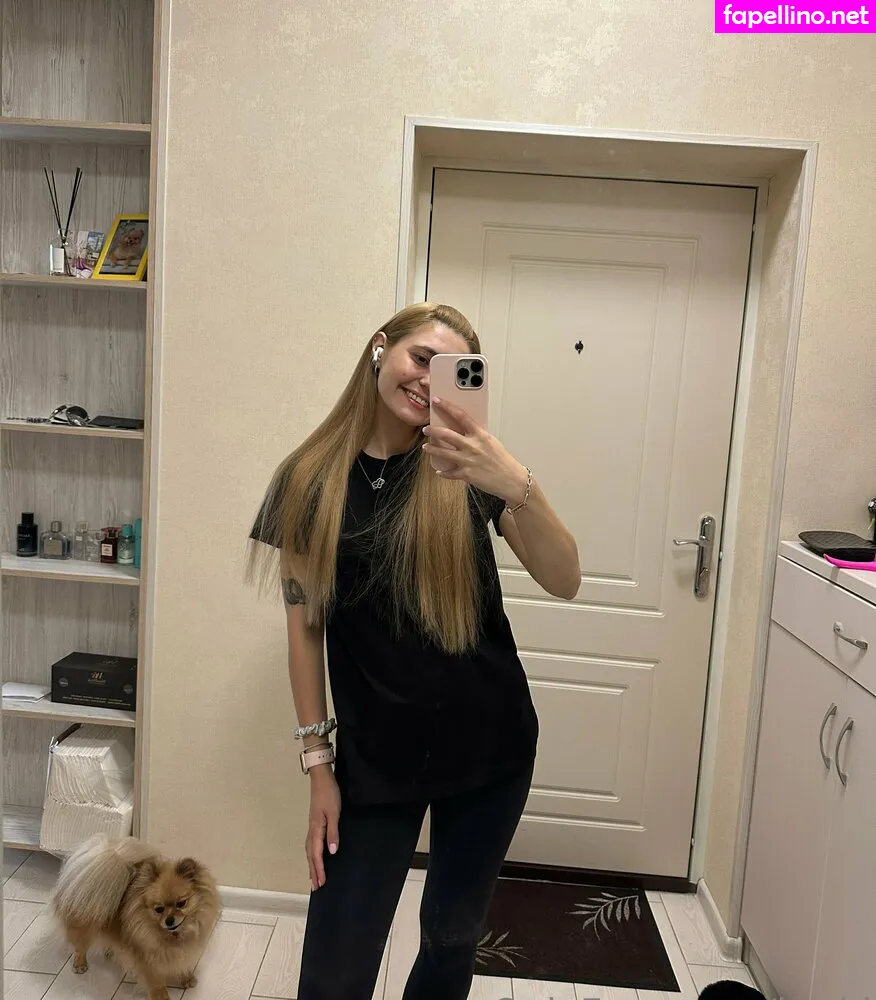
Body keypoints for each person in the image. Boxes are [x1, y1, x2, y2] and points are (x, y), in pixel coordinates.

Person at [248, 302, 580, 1000]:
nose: (429, 380)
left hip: (489, 753)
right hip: (373, 762)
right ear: (381, 348)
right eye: (421, 358)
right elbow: (305, 631)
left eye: (451, 370)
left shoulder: (465, 472)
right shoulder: (308, 480)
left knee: (451, 942)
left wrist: (514, 480)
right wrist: (318, 767)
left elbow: (565, 578)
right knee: (335, 971)